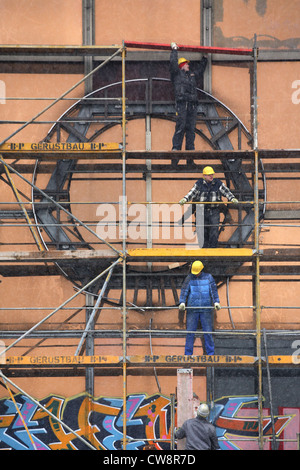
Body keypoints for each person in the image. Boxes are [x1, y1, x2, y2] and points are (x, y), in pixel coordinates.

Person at [179, 166, 238, 248]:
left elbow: (226, 191)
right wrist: (185, 199)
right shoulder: (199, 184)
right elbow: (192, 193)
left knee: (214, 231)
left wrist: (232, 198)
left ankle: (212, 250)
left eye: (212, 174)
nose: (211, 176)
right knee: (202, 232)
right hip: (201, 212)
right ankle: (204, 250)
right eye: (209, 175)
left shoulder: (218, 183)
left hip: (214, 211)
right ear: (204, 176)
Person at [170, 42, 207, 164]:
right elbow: (173, 64)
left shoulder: (191, 76)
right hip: (182, 104)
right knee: (180, 128)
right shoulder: (176, 74)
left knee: (190, 129)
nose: (188, 66)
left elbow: (200, 71)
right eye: (186, 64)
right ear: (182, 65)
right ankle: (175, 155)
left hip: (191, 105)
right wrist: (174, 50)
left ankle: (189, 157)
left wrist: (205, 58)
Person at [179, 260, 220, 355]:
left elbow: (213, 291)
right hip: (192, 309)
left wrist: (216, 301)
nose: (196, 274)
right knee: (190, 333)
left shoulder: (209, 278)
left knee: (208, 333)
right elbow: (184, 290)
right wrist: (182, 302)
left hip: (205, 309)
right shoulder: (189, 278)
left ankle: (210, 354)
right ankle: (188, 355)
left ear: (201, 270)